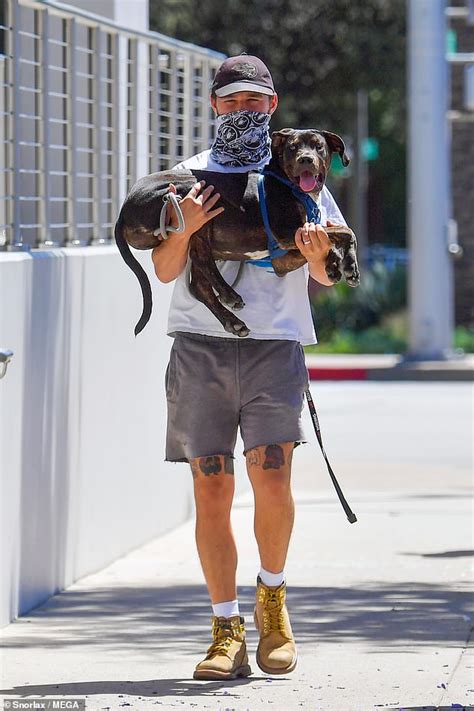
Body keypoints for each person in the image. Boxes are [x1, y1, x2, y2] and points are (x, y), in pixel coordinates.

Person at [151, 55, 346, 680]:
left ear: (274, 105)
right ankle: (224, 628)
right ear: (214, 107)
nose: (244, 110)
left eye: (255, 101)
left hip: (273, 347)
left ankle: (273, 603)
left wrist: (317, 255)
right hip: (199, 347)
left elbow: (327, 274)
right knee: (211, 487)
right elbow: (162, 270)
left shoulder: (300, 178)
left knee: (272, 482)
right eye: (232, 101)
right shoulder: (188, 177)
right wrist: (185, 229)